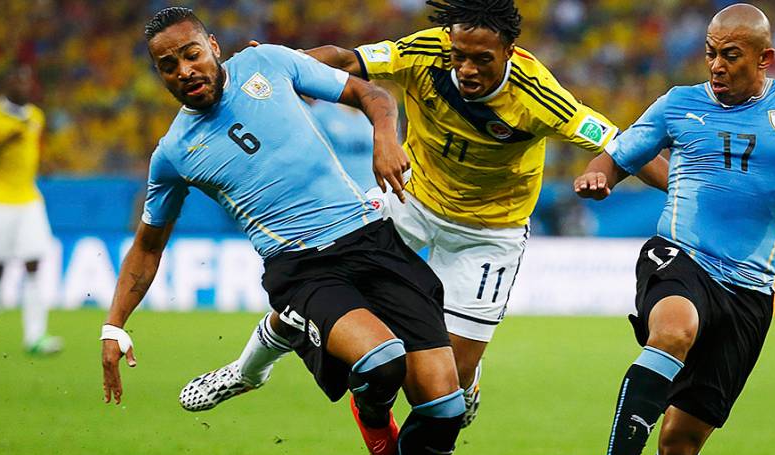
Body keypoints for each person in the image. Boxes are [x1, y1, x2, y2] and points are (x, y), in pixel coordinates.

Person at [182, 0, 669, 430]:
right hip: (409, 202)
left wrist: (686, 191)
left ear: (511, 50)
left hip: (489, 235)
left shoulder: (538, 96)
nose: (467, 70)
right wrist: (286, 65)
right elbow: (346, 60)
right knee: (314, 281)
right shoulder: (424, 52)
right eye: (459, 57)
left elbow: (625, 145)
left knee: (439, 388)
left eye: (482, 59)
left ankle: (466, 378)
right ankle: (248, 371)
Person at [100, 8, 465, 455]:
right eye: (167, 65)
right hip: (301, 267)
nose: (183, 70)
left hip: (372, 238)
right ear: (158, 74)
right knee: (381, 362)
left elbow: (372, 93)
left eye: (191, 54)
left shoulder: (269, 64)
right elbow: (147, 246)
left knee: (446, 411)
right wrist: (113, 326)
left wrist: (386, 138)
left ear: (213, 46)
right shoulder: (174, 154)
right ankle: (367, 400)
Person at [574, 4, 775, 455]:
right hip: (680, 254)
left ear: (765, 57)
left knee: (680, 446)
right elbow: (619, 152)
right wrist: (601, 175)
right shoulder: (679, 104)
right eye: (710, 54)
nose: (716, 66)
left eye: (730, 55)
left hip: (749, 290)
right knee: (674, 328)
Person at [0, 65, 61, 358]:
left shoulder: (36, 116)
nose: (23, 87)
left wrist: (42, 164)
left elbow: (32, 150)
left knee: (34, 264)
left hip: (28, 199)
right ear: (6, 85)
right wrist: (2, 143)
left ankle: (35, 336)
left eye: (27, 82)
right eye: (17, 81)